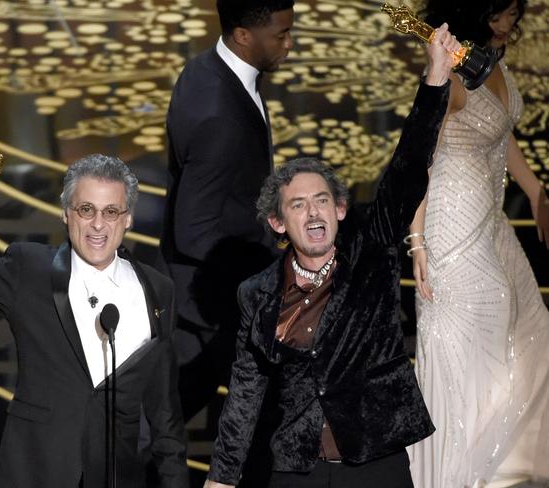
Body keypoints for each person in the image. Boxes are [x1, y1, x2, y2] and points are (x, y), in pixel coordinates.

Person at [203, 26, 461, 488]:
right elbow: (246, 390)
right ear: (279, 223)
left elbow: (407, 169)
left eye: (322, 200)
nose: (313, 211)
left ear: (340, 210)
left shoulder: (371, 250)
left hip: (374, 462)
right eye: (298, 205)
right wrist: (222, 478)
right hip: (297, 469)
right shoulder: (258, 294)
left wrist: (436, 76)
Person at [0, 154, 189, 488]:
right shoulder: (28, 269)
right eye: (86, 209)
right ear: (65, 213)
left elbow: (165, 416)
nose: (98, 224)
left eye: (111, 212)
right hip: (34, 473)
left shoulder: (158, 290)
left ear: (127, 218)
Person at [406, 1, 549, 486]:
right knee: (473, 333)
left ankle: (503, 468)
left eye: (514, 10)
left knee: (530, 326)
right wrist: (417, 240)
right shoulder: (450, 73)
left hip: (490, 219)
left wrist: (535, 191)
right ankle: (458, 471)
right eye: (501, 9)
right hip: (449, 221)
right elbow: (417, 154)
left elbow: (501, 131)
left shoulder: (491, 61)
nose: (510, 19)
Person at [161, 0, 295, 419]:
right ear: (242, 35)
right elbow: (194, 230)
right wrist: (268, 269)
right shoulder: (221, 116)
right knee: (155, 429)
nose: (290, 44)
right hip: (210, 308)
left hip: (212, 302)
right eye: (280, 35)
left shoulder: (205, 69)